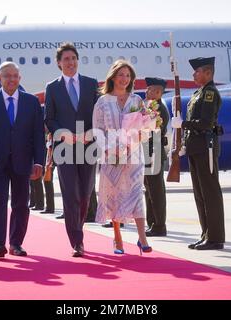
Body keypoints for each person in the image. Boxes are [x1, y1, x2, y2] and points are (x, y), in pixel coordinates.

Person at [0, 62, 45, 258]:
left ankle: (16, 243)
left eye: (15, 75)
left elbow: (38, 135)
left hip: (23, 161)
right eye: (7, 75)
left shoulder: (31, 102)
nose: (11, 79)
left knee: (21, 204)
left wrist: (39, 162)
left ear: (20, 78)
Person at [93, 59, 152, 255]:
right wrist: (110, 149)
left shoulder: (136, 100)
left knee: (136, 194)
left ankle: (142, 238)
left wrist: (138, 136)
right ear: (113, 77)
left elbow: (145, 128)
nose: (124, 79)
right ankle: (117, 238)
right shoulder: (102, 102)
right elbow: (98, 130)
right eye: (121, 75)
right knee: (114, 196)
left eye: (128, 75)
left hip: (133, 155)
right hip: (112, 155)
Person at [44, 43, 98, 257]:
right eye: (66, 59)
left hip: (88, 145)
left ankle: (79, 228)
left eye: (73, 58)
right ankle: (77, 240)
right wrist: (62, 133)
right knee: (70, 194)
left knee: (85, 194)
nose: (70, 62)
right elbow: (49, 118)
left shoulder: (91, 84)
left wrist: (91, 133)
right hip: (64, 147)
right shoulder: (52, 87)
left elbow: (99, 115)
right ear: (59, 63)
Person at [171, 57, 225, 250]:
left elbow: (205, 123)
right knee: (200, 193)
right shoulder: (198, 94)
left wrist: (183, 124)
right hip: (196, 147)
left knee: (210, 193)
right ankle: (206, 234)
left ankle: (215, 238)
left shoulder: (209, 93)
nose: (194, 75)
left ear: (208, 73)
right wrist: (184, 142)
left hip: (206, 147)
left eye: (197, 71)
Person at [142, 77, 170, 237]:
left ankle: (159, 225)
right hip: (148, 151)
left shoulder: (158, 108)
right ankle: (152, 222)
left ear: (158, 92)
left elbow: (153, 131)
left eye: (150, 89)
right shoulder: (150, 106)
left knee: (156, 190)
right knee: (149, 189)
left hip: (154, 152)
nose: (146, 91)